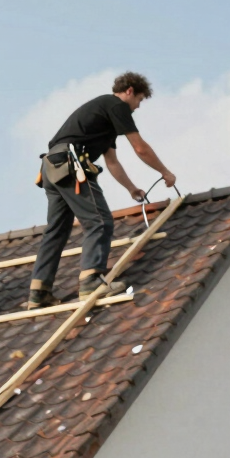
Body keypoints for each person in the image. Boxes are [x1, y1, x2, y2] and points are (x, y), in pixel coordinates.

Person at [27, 71, 176, 310]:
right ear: (129, 91)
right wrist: (165, 172)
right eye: (139, 100)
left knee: (56, 230)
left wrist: (131, 188)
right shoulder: (116, 105)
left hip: (51, 168)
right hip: (69, 163)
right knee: (99, 221)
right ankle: (91, 282)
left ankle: (39, 292)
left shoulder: (102, 117)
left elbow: (112, 162)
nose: (137, 107)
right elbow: (140, 148)